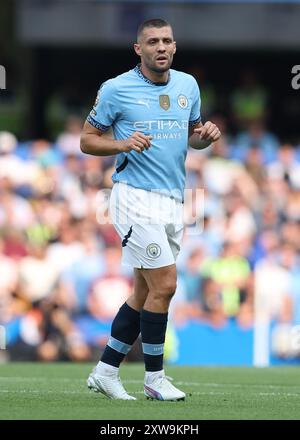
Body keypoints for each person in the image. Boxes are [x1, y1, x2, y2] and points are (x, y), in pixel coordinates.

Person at [80, 18, 221, 401]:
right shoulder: (116, 89)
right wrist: (122, 145)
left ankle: (106, 371)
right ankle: (154, 378)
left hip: (173, 199)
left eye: (167, 41)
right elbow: (87, 140)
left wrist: (204, 137)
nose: (161, 47)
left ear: (175, 47)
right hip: (133, 197)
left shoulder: (187, 86)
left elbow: (191, 137)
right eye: (153, 41)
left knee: (144, 293)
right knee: (167, 284)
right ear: (138, 49)